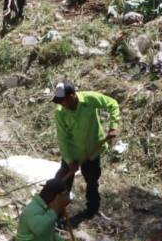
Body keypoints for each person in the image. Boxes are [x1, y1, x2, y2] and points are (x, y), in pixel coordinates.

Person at [52, 82, 121, 227]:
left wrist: (113, 125)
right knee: (63, 184)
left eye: (64, 100)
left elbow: (113, 104)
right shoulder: (60, 112)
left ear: (72, 95)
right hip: (73, 153)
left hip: (92, 150)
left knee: (92, 181)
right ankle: (56, 215)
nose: (62, 104)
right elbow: (63, 139)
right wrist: (70, 161)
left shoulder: (89, 99)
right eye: (59, 101)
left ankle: (92, 210)